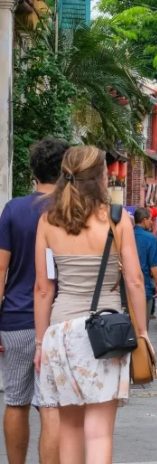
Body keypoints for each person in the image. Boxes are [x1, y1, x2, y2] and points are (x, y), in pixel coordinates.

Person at [33, 145, 150, 463]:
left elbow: (43, 289)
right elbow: (135, 280)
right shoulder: (116, 219)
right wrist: (142, 331)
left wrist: (40, 342)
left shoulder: (48, 221)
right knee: (99, 432)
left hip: (60, 332)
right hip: (105, 334)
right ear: (101, 177)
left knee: (69, 427)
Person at [0, 138, 66, 464]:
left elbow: (1, 269)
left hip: (15, 319)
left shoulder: (13, 210)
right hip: (59, 320)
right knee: (52, 406)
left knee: (16, 400)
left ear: (33, 171)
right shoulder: (71, 211)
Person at [133, 208, 157, 321]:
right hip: (144, 285)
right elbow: (154, 266)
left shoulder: (126, 235)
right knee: (143, 323)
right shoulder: (150, 238)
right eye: (151, 219)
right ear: (144, 220)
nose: (151, 222)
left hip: (125, 287)